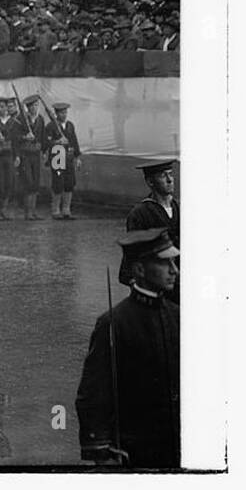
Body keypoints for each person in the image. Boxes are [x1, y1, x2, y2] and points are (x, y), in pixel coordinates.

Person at [74, 229, 180, 468]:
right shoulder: (114, 323)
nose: (175, 270)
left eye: (174, 261)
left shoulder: (178, 316)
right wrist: (100, 446)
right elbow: (95, 392)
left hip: (176, 443)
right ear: (140, 270)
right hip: (136, 448)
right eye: (165, 263)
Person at [126, 160, 179, 305]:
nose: (169, 180)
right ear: (150, 182)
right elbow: (133, 254)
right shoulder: (140, 214)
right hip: (155, 285)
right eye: (163, 176)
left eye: (170, 174)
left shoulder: (180, 208)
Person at [44, 101, 81, 219]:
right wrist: (57, 142)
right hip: (57, 155)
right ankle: (55, 210)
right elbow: (46, 142)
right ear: (56, 114)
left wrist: (77, 157)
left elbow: (74, 141)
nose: (64, 115)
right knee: (58, 183)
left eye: (65, 112)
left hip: (69, 156)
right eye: (61, 113)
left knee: (69, 183)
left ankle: (66, 210)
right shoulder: (51, 126)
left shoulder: (70, 125)